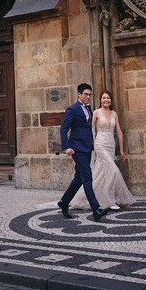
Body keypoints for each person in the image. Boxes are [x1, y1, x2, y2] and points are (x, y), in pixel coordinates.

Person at [69, 90, 136, 211]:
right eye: (104, 98)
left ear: (111, 100)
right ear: (100, 100)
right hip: (100, 144)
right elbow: (89, 128)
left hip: (110, 144)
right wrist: (91, 142)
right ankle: (108, 200)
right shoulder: (96, 113)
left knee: (103, 172)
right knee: (114, 170)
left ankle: (87, 198)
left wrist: (121, 150)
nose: (106, 100)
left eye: (108, 98)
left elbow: (119, 132)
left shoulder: (114, 113)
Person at [57, 83, 109, 222]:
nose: (88, 97)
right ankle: (96, 209)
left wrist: (92, 142)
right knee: (87, 177)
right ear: (79, 94)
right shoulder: (72, 109)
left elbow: (87, 128)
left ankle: (64, 202)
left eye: (90, 94)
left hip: (87, 147)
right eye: (86, 94)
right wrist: (66, 146)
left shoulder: (89, 108)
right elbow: (63, 129)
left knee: (79, 178)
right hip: (76, 149)